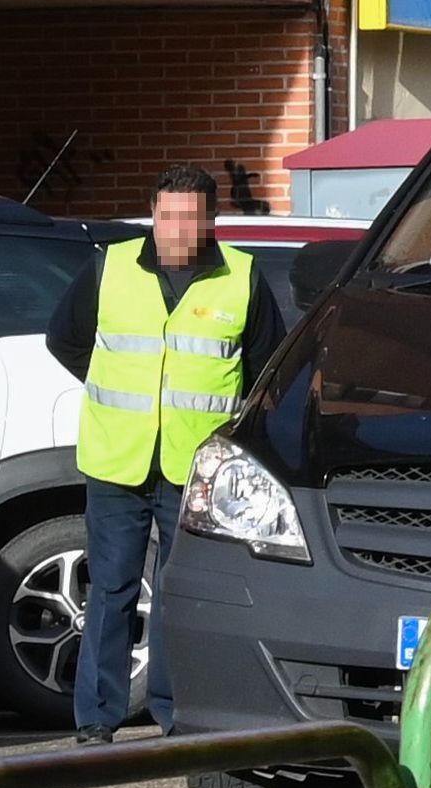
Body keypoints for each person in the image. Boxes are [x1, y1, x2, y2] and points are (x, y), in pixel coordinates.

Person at [46, 164, 271, 743]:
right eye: (167, 215)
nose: (176, 228)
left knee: (181, 591)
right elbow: (64, 339)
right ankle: (97, 718)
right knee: (112, 588)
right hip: (118, 458)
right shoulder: (111, 264)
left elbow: (265, 368)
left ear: (210, 221)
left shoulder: (242, 276)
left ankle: (176, 714)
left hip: (196, 467)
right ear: (153, 213)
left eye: (189, 218)